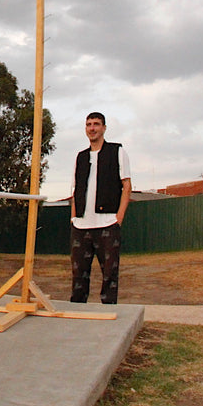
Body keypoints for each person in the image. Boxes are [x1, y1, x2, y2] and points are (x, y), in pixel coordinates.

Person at [69, 112, 132, 304]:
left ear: (104, 128)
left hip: (107, 224)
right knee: (78, 276)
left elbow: (127, 186)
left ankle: (109, 311)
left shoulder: (117, 151)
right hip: (81, 226)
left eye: (96, 124)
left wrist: (118, 218)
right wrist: (73, 219)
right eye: (88, 124)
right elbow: (74, 190)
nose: (92, 128)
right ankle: (77, 312)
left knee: (110, 274)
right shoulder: (80, 157)